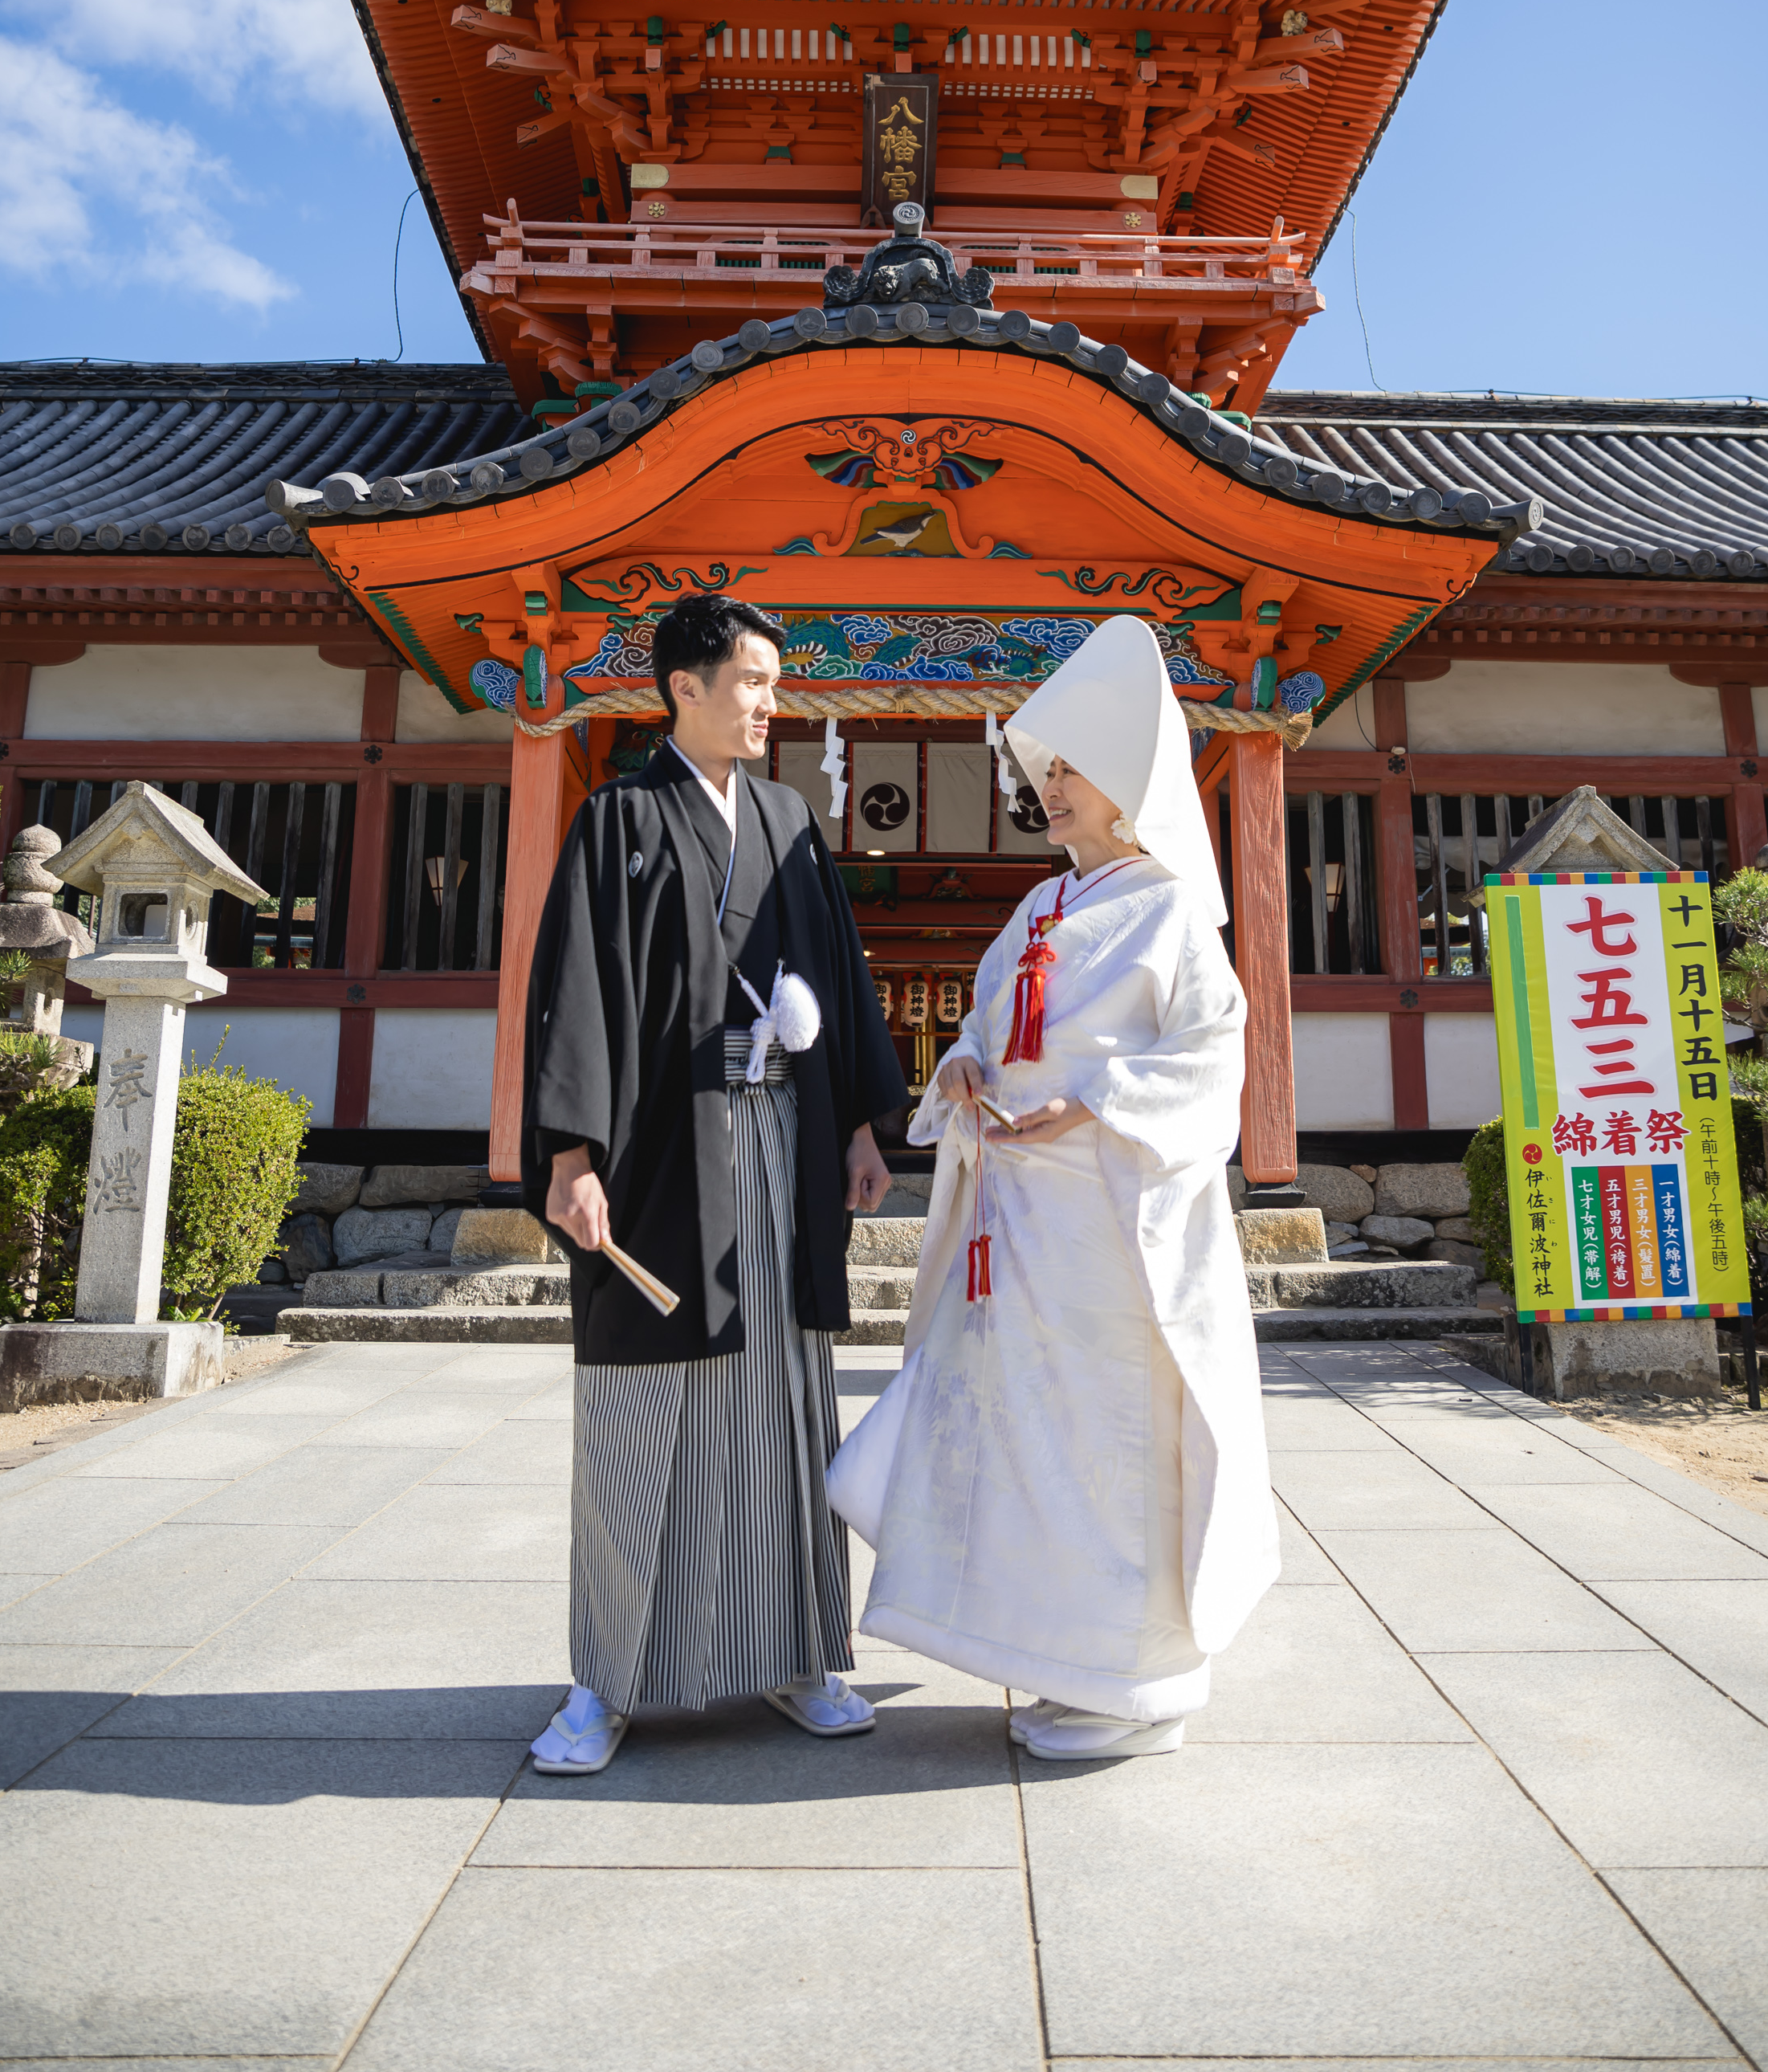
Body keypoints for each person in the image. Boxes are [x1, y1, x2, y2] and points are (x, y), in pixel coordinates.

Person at [827, 613, 1279, 1761]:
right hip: (1016, 1226)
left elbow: (1212, 1055)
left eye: (1072, 768)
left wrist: (1102, 1104)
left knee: (1108, 1444)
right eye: (1046, 770)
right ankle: (1041, 1653)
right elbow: (986, 1030)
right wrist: (968, 1065)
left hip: (1112, 1237)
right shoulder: (1040, 909)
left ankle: (1132, 1682)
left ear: (1131, 781)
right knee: (1025, 1437)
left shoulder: (1175, 908)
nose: (1053, 787)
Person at [519, 593, 907, 1775]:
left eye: (772, 681)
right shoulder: (620, 820)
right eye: (751, 679)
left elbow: (836, 970)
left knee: (784, 1404)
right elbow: (577, 986)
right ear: (683, 685)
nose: (769, 701)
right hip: (661, 1160)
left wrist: (858, 1122)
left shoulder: (789, 819)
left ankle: (796, 1655)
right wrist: (571, 1156)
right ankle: (608, 1679)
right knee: (647, 1410)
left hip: (783, 1144)